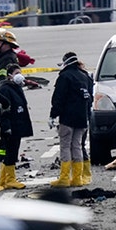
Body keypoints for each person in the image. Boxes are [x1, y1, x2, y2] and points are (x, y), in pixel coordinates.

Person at [49, 52, 93, 187]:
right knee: (77, 146)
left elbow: (58, 98)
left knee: (65, 147)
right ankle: (77, 178)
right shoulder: (85, 76)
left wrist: (53, 115)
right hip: (82, 118)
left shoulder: (65, 77)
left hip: (67, 118)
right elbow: (90, 98)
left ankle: (64, 178)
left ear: (65, 63)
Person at [0, 63, 34, 190]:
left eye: (20, 73)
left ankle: (3, 180)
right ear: (9, 75)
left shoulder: (16, 88)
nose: (19, 76)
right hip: (11, 126)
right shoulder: (6, 89)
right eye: (16, 73)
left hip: (17, 125)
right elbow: (4, 110)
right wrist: (6, 127)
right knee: (11, 153)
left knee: (12, 152)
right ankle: (10, 180)